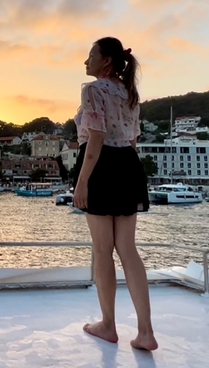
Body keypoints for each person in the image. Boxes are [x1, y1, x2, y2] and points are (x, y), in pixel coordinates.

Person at [72, 36, 157, 351]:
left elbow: (96, 137)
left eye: (91, 54)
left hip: (101, 165)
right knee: (128, 249)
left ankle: (108, 325)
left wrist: (82, 183)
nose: (86, 60)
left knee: (102, 250)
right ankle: (145, 331)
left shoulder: (92, 90)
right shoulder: (129, 93)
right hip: (127, 165)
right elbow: (132, 141)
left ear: (106, 61)